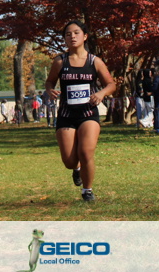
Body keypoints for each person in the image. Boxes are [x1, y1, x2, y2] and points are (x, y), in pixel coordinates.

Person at [43, 21, 116, 202]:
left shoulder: (94, 61)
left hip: (88, 114)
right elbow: (50, 81)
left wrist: (101, 93)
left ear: (85, 36)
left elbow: (111, 84)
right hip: (66, 115)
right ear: (64, 39)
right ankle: (76, 170)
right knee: (69, 161)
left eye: (76, 33)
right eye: (68, 34)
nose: (72, 37)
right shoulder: (60, 61)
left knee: (85, 152)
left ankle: (87, 190)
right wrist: (50, 90)